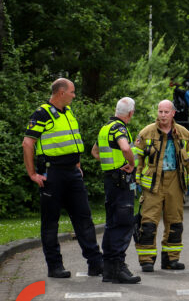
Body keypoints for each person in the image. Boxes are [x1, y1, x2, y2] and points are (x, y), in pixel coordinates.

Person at [22, 78, 103, 278]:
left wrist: (77, 165)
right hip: (53, 173)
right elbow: (27, 143)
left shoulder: (67, 112)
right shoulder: (42, 113)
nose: (74, 96)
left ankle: (96, 263)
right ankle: (55, 266)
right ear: (61, 92)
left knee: (84, 218)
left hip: (72, 172)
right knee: (51, 222)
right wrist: (32, 174)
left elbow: (71, 140)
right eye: (72, 92)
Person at [133, 100, 189, 272]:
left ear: (173, 113)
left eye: (166, 112)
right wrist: (136, 180)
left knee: (175, 223)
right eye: (160, 111)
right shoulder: (146, 133)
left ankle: (171, 260)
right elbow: (137, 159)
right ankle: (146, 260)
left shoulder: (183, 134)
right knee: (148, 223)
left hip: (175, 181)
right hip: (152, 183)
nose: (162, 115)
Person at [90, 97, 141, 284]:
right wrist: (130, 163)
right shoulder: (119, 129)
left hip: (110, 181)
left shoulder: (105, 128)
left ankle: (109, 269)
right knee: (124, 223)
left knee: (112, 224)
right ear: (130, 113)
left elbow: (95, 152)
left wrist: (109, 165)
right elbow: (126, 148)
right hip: (121, 182)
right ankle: (118, 267)